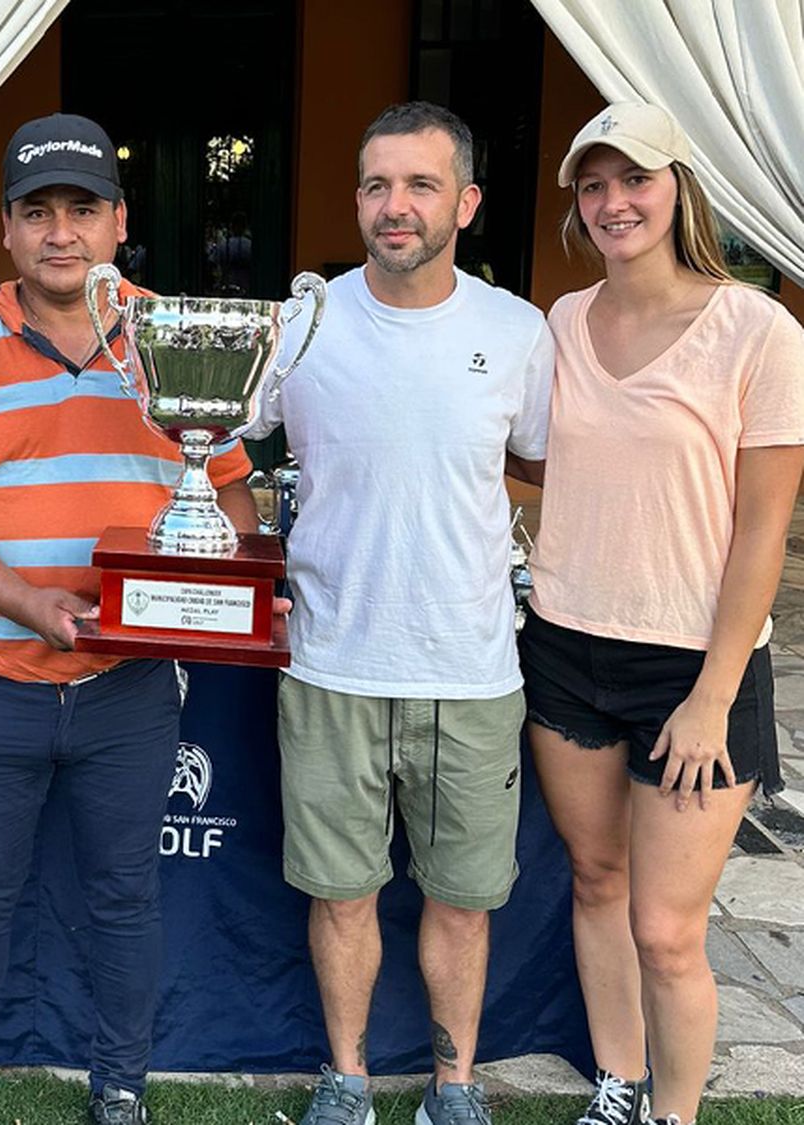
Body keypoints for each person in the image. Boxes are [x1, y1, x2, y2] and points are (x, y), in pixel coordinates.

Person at [0, 113, 260, 1125]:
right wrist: (27, 604)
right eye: (38, 211)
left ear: (118, 221)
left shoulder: (174, 331)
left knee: (124, 900)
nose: (62, 233)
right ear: (6, 228)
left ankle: (120, 1088)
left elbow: (230, 497)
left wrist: (194, 589)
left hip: (126, 689)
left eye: (83, 209)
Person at [246, 101, 554, 1125]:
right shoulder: (303, 325)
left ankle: (454, 1088)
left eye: (421, 185)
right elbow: (217, 443)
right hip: (333, 657)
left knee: (461, 901)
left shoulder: (518, 333)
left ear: (465, 201)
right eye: (377, 184)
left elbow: (544, 466)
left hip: (469, 669)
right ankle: (348, 1080)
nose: (396, 206)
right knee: (342, 895)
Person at [521, 102, 804, 1125]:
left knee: (668, 928)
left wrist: (712, 696)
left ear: (678, 186)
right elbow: (540, 461)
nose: (612, 203)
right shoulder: (558, 322)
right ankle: (618, 1085)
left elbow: (763, 533)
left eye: (633, 180)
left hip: (695, 667)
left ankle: (673, 1115)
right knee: (596, 882)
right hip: (564, 644)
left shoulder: (757, 329)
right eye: (592, 187)